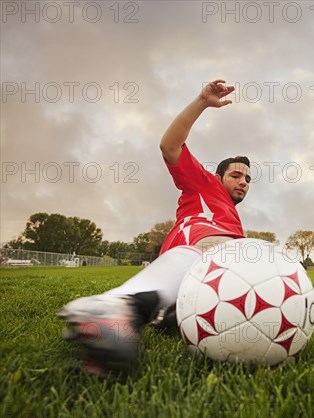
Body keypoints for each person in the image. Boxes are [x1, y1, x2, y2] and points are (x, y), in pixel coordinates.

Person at [58, 80, 251, 376]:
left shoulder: (233, 218)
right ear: (217, 176)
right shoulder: (205, 184)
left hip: (207, 267)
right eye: (236, 175)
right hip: (202, 250)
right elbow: (170, 145)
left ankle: (153, 316)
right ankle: (117, 306)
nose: (243, 182)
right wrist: (202, 101)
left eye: (248, 180)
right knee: (230, 254)